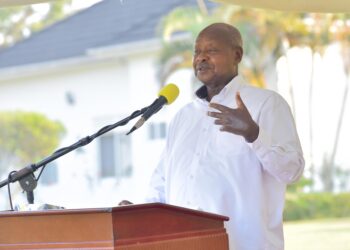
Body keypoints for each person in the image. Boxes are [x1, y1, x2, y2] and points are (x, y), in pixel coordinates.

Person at [121, 23, 304, 250]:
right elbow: (161, 185)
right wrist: (137, 214)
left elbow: (292, 171)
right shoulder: (183, 117)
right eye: (197, 52)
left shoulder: (266, 104)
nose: (201, 58)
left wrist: (253, 134)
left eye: (212, 50)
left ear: (237, 55)